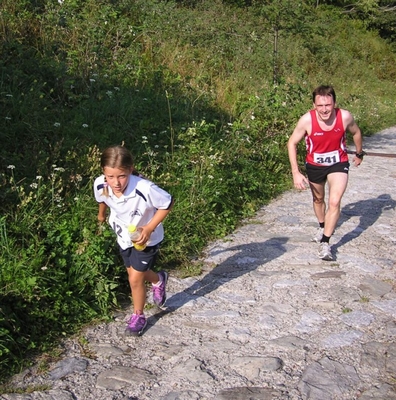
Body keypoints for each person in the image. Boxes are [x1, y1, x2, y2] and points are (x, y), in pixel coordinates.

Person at [94, 145, 174, 336]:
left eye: (121, 176)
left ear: (130, 169)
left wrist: (149, 228)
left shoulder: (144, 188)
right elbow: (102, 198)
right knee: (137, 272)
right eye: (110, 176)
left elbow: (167, 203)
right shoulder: (101, 183)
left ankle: (138, 316)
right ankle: (158, 280)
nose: (116, 182)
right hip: (123, 234)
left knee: (134, 278)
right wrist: (101, 215)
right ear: (103, 172)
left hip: (146, 238)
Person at [287, 85, 364, 261]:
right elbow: (292, 143)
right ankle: (322, 225)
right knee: (318, 199)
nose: (324, 110)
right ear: (314, 105)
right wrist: (295, 172)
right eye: (320, 106)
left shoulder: (344, 116)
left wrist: (359, 153)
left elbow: (356, 132)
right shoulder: (307, 120)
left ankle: (326, 242)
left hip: (339, 162)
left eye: (328, 105)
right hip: (315, 165)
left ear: (334, 103)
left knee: (334, 201)